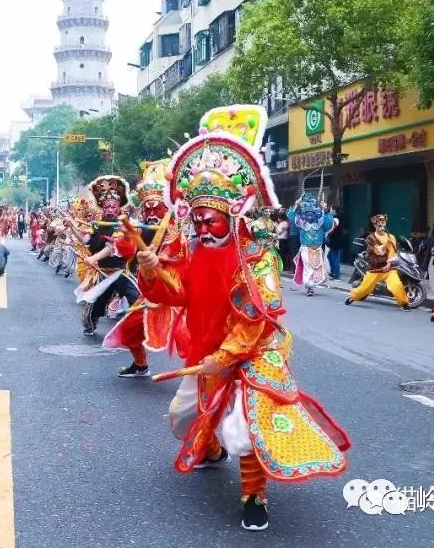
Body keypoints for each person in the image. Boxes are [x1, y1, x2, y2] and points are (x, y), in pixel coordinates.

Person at [135, 104, 349, 532]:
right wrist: (150, 269)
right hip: (206, 345)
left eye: (210, 220)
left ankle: (254, 497)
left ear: (231, 214)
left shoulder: (258, 256)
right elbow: (175, 294)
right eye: (196, 219)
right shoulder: (191, 249)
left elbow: (255, 315)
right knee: (182, 419)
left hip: (254, 350)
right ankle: (210, 450)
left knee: (247, 425)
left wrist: (227, 354)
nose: (202, 227)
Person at [102, 159, 188, 378]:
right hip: (151, 293)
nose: (151, 213)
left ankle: (205, 375)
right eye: (147, 208)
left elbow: (177, 255)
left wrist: (160, 259)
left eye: (156, 207)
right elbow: (128, 250)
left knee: (194, 337)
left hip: (176, 293)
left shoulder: (174, 231)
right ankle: (140, 365)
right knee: (129, 331)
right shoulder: (141, 228)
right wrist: (126, 237)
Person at [73, 175, 139, 336]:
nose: (109, 209)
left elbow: (112, 246)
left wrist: (93, 258)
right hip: (103, 275)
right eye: (106, 207)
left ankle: (137, 329)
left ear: (119, 208)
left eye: (113, 207)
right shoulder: (97, 225)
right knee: (93, 309)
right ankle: (91, 324)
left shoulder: (123, 225)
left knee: (137, 299)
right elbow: (85, 240)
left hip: (121, 272)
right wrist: (72, 226)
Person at [345, 214, 411, 310]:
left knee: (396, 285)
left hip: (389, 269)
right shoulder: (370, 238)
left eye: (383, 223)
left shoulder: (391, 237)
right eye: (379, 224)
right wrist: (386, 243)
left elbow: (393, 253)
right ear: (375, 225)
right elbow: (378, 251)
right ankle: (353, 297)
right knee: (364, 289)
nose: (381, 226)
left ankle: (404, 303)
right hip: (375, 268)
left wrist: (389, 264)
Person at [288, 193, 334, 297]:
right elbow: (291, 217)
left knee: (316, 268)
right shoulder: (301, 223)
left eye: (312, 213)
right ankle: (309, 286)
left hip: (318, 249)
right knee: (308, 267)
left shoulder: (320, 223)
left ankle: (311, 286)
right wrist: (296, 205)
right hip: (305, 248)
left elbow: (329, 224)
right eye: (307, 213)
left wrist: (325, 210)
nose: (309, 215)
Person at [325, 206, 345, 279]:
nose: (330, 210)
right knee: (330, 256)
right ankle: (333, 272)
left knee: (334, 257)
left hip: (335, 241)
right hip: (336, 240)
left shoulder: (336, 218)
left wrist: (326, 234)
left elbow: (332, 229)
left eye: (331, 209)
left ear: (334, 210)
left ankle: (335, 274)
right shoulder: (337, 217)